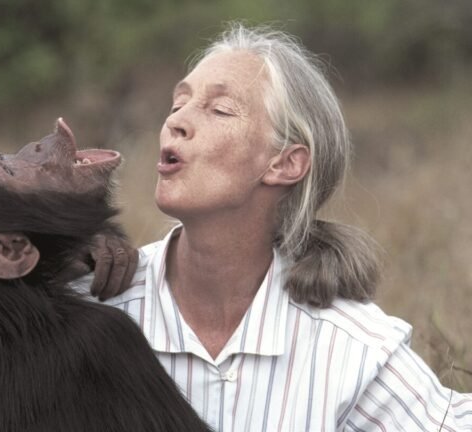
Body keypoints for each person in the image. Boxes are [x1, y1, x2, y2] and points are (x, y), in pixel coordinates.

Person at [77, 23, 472, 430]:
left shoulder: (352, 349)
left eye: (220, 110)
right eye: (178, 104)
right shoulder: (92, 306)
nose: (175, 122)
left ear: (284, 163)